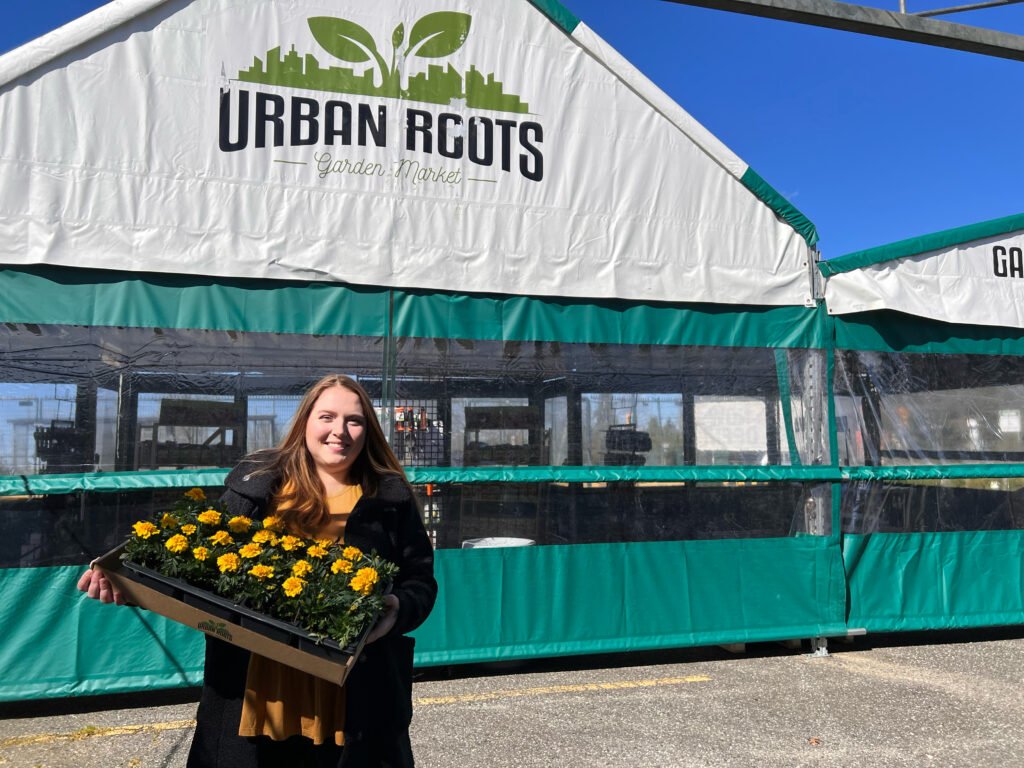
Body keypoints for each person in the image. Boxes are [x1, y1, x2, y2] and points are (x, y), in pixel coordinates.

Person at [78, 374, 438, 768]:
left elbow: (419, 580)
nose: (340, 431)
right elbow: (197, 568)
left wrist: (395, 609)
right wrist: (127, 579)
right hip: (254, 696)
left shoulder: (389, 499)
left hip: (355, 700)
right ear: (305, 423)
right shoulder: (257, 487)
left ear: (368, 430)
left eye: (354, 420)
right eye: (327, 417)